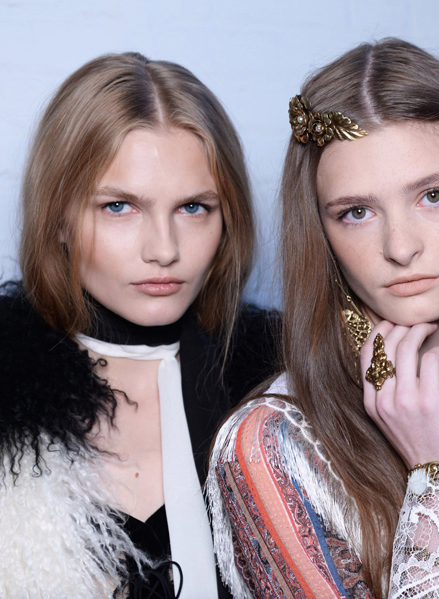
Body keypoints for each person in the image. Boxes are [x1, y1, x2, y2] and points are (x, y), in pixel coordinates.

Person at [206, 38, 439, 599]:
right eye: (356, 212)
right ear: (321, 234)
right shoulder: (271, 447)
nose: (400, 247)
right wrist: (438, 477)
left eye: (434, 195)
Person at [0, 52, 280, 599]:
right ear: (58, 217)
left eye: (194, 208)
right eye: (119, 207)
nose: (164, 249)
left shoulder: (282, 390)